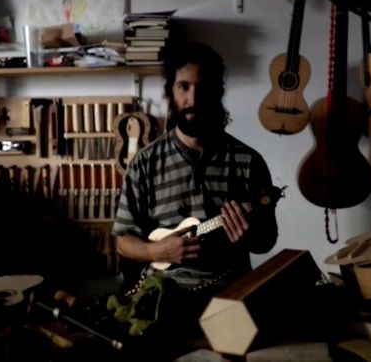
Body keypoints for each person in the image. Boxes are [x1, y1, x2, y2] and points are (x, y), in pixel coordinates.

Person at [111, 42, 279, 331]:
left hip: (231, 294)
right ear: (170, 92)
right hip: (165, 295)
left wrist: (247, 239)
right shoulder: (143, 164)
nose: (193, 98)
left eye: (203, 87)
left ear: (218, 93)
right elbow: (122, 241)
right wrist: (156, 252)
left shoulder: (248, 161)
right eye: (184, 87)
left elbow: (267, 240)